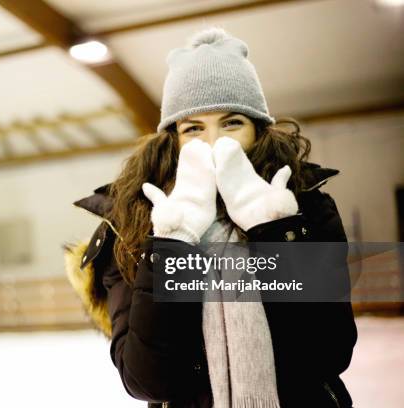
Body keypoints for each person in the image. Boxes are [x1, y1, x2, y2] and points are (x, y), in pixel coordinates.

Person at [65, 27, 357, 408]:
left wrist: (274, 231)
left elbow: (326, 355)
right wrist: (174, 242)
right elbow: (147, 380)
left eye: (232, 123)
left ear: (258, 131)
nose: (214, 142)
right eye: (193, 128)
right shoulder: (129, 225)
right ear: (173, 140)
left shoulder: (306, 209)